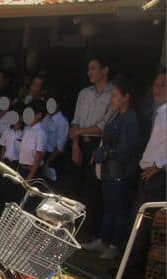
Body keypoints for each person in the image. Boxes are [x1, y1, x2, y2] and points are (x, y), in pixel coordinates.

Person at [83, 77, 140, 260]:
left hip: (120, 174)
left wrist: (104, 153)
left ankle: (115, 245)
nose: (112, 99)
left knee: (119, 211)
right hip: (108, 172)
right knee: (108, 209)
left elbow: (124, 150)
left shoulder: (130, 119)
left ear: (126, 97)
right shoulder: (115, 116)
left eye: (115, 96)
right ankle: (103, 240)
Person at [124, 67, 166, 278]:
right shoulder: (160, 111)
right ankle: (131, 269)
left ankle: (131, 272)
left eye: (163, 85)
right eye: (156, 84)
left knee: (141, 225)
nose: (157, 89)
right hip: (151, 174)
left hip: (157, 178)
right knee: (139, 223)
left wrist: (159, 166)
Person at [70, 56, 115, 237]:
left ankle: (88, 233)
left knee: (93, 191)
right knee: (75, 188)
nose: (90, 72)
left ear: (105, 70)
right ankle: (72, 229)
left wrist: (79, 131)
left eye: (94, 68)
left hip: (98, 145)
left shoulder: (113, 93)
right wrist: (75, 145)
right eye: (89, 69)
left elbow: (103, 127)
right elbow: (75, 123)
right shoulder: (84, 93)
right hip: (80, 143)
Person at [42, 96, 69, 181]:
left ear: (57, 104)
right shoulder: (46, 117)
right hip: (41, 154)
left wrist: (48, 162)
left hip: (53, 157)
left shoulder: (62, 121)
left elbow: (59, 147)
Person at [18, 100, 47, 181]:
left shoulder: (40, 133)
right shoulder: (27, 129)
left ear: (39, 115)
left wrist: (30, 177)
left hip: (32, 172)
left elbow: (38, 156)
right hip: (22, 169)